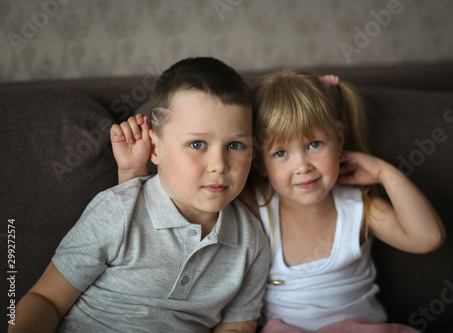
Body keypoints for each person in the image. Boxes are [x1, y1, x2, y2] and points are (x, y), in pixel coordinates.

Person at [112, 69, 446, 332]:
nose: (303, 166)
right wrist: (133, 170)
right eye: (281, 152)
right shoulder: (255, 207)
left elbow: (428, 238)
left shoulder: (358, 207)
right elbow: (173, 207)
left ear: (339, 139)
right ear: (259, 162)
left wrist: (387, 174)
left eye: (314, 144)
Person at [10, 57, 271, 333]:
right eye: (197, 144)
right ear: (155, 150)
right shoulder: (119, 209)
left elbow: (238, 325)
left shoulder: (251, 241)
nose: (219, 164)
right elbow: (46, 299)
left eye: (235, 144)